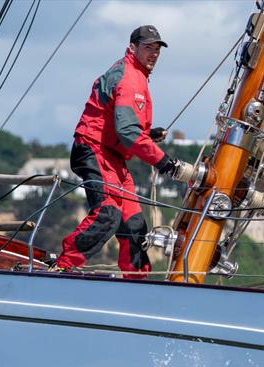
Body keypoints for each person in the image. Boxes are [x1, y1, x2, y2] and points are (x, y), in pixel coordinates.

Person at [53, 25, 193, 278]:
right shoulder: (130, 78)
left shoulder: (134, 74)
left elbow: (121, 127)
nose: (154, 54)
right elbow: (128, 132)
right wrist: (166, 164)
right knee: (108, 214)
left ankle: (137, 281)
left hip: (112, 156)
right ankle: (63, 266)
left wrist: (147, 136)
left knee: (134, 224)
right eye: (148, 48)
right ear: (132, 48)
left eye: (157, 49)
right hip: (94, 150)